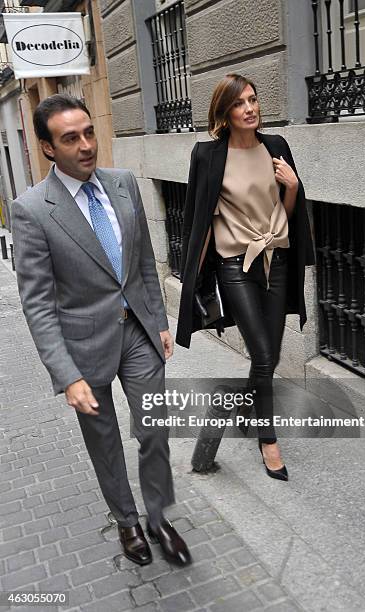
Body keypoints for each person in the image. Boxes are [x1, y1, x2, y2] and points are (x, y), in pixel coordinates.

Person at [11, 94, 191, 567]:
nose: (86, 145)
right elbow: (38, 303)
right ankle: (128, 522)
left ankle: (157, 517)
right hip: (81, 345)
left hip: (139, 334)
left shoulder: (124, 183)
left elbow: (144, 263)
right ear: (48, 148)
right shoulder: (32, 209)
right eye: (71, 138)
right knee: (105, 440)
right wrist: (66, 375)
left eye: (89, 132)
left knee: (154, 429)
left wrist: (159, 322)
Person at [176, 74, 315, 480]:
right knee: (266, 355)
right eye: (240, 103)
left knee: (264, 359)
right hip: (236, 267)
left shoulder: (276, 147)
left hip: (277, 261)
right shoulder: (207, 155)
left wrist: (293, 186)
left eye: (254, 99)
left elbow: (286, 213)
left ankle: (248, 410)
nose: (251, 108)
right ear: (225, 113)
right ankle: (267, 438)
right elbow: (198, 218)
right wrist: (194, 282)